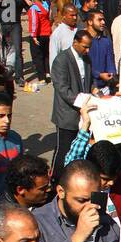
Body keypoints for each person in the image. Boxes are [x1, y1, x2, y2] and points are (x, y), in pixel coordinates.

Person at [50, 28, 92, 175]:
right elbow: (62, 88)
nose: (87, 50)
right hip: (67, 114)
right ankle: (55, 177)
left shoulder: (86, 59)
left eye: (89, 47)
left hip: (82, 114)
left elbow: (89, 82)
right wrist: (82, 102)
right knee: (63, 150)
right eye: (85, 46)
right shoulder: (61, 60)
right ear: (75, 43)